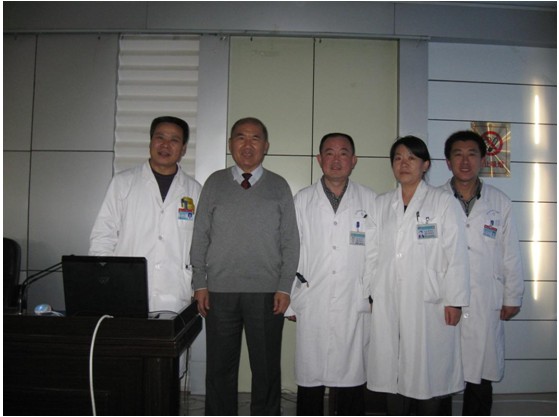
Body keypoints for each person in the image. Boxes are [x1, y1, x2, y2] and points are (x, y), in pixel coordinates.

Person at [190, 117, 300, 415]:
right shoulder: (214, 182)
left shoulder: (278, 185)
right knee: (219, 368)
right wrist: (200, 283)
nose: (248, 144)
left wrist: (284, 287)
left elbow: (290, 241)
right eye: (241, 137)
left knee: (266, 368)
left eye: (255, 138)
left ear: (266, 146)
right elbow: (200, 236)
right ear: (230, 144)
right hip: (219, 292)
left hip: (267, 293)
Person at [365, 136, 470, 415]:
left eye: (412, 158)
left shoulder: (443, 202)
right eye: (398, 158)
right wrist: (372, 293)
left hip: (430, 300)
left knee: (428, 372)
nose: (404, 164)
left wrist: (455, 300)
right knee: (392, 370)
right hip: (388, 297)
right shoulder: (381, 203)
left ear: (425, 165)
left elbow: (456, 254)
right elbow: (372, 253)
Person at [285, 133, 376, 415]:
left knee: (352, 376)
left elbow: (376, 253)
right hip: (312, 297)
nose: (336, 160)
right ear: (319, 159)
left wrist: (370, 295)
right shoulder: (302, 200)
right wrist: (291, 301)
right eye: (329, 153)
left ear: (354, 160)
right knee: (310, 377)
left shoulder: (370, 200)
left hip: (354, 298)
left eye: (343, 153)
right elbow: (290, 251)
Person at [442, 130, 524, 415]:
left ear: (483, 160)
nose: (465, 162)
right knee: (440, 373)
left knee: (480, 376)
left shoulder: (499, 202)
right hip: (444, 300)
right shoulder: (433, 200)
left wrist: (513, 296)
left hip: (484, 299)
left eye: (472, 154)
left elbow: (510, 253)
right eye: (458, 155)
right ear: (448, 162)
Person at [89, 116, 201, 313]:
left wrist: (198, 286)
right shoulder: (123, 183)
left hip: (174, 294)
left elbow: (200, 246)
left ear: (183, 149)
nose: (165, 145)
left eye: (174, 140)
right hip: (125, 289)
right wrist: (104, 282)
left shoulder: (194, 190)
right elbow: (103, 236)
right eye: (160, 137)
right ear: (150, 142)